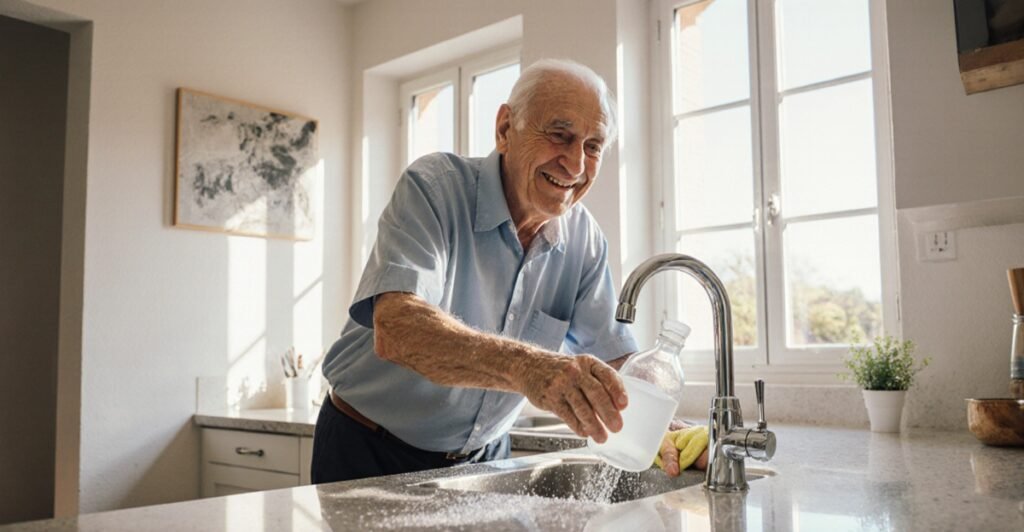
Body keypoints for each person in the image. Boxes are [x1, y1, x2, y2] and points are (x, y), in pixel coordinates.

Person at [312, 58, 706, 484]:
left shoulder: (584, 239)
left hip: (483, 459)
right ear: (504, 129)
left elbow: (615, 359)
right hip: (367, 449)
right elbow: (398, 328)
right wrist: (530, 368)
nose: (575, 165)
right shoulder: (434, 187)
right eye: (560, 136)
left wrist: (662, 430)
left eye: (593, 147)